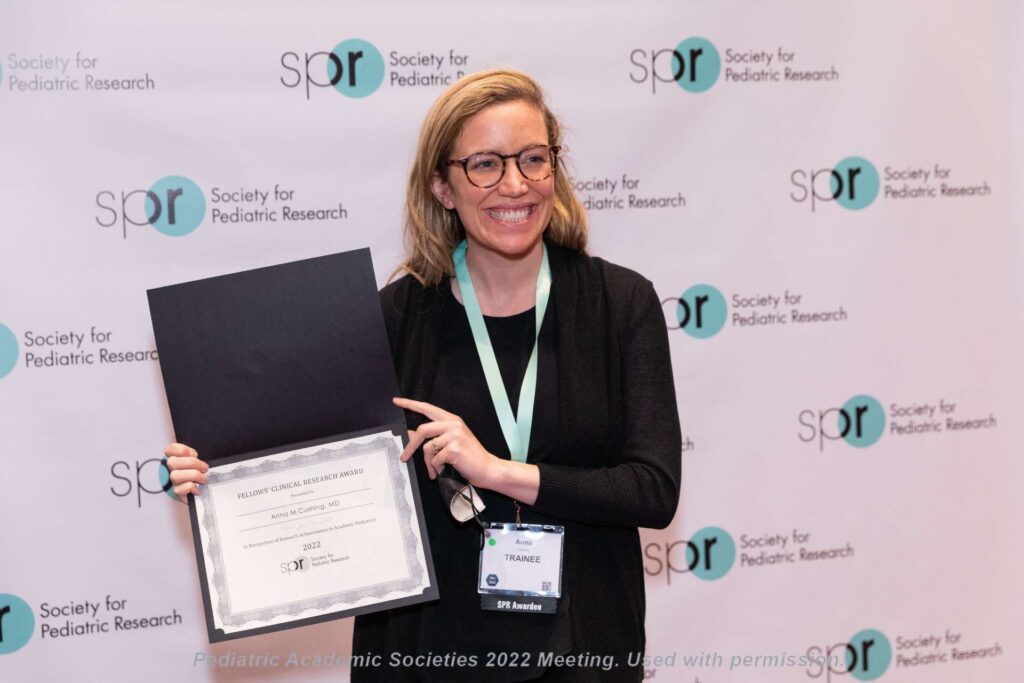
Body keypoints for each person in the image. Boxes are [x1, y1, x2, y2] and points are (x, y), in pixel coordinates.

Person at [165, 69, 681, 682]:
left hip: (583, 648)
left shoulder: (620, 304)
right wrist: (219, 481)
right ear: (443, 185)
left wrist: (497, 471)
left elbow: (652, 489)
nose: (515, 184)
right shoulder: (395, 317)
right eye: (485, 165)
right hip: (427, 651)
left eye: (534, 159)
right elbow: (314, 463)